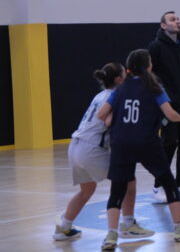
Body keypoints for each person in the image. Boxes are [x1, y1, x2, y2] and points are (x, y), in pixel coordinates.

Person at [96, 49, 180, 250]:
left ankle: (111, 236)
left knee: (117, 190)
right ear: (149, 66)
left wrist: (113, 122)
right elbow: (169, 113)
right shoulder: (154, 87)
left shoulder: (120, 89)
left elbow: (101, 114)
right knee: (168, 182)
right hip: (146, 141)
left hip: (121, 142)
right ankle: (179, 228)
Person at [54, 63, 153, 241]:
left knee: (86, 190)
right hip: (91, 149)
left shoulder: (100, 95)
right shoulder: (116, 96)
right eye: (125, 74)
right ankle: (128, 224)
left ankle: (63, 228)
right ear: (119, 79)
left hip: (75, 145)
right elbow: (108, 121)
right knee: (128, 181)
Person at [148, 11, 180, 202]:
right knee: (169, 143)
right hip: (166, 104)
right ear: (163, 25)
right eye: (172, 19)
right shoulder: (155, 47)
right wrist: (157, 101)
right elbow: (148, 74)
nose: (177, 21)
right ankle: (158, 186)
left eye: (178, 19)